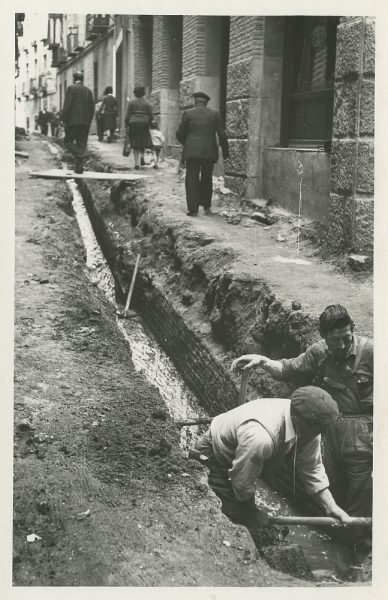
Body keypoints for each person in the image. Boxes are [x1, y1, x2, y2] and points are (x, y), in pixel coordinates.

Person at [231, 304, 373, 558]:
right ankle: (335, 539)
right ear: (324, 337)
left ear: (352, 330)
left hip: (364, 436)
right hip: (328, 431)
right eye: (335, 340)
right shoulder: (318, 353)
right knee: (331, 484)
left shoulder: (372, 352)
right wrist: (263, 361)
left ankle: (359, 549)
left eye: (346, 338)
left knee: (360, 492)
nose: (341, 345)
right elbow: (288, 368)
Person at [192, 386, 350, 534]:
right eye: (321, 430)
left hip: (244, 457)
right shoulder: (261, 436)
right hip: (214, 454)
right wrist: (253, 511)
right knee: (235, 520)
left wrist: (331, 506)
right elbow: (241, 481)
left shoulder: (309, 426)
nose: (322, 435)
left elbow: (311, 468)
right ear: (301, 421)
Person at [176, 91, 229, 216]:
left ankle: (193, 209)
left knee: (191, 178)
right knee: (207, 178)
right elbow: (222, 134)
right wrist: (225, 153)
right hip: (209, 152)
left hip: (192, 152)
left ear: (195, 102)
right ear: (206, 103)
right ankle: (206, 206)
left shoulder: (188, 113)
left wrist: (187, 143)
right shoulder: (214, 114)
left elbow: (179, 133)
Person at [61, 71, 94, 174]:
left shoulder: (71, 88)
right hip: (85, 122)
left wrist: (64, 119)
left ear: (74, 79)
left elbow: (67, 105)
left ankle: (80, 156)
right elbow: (92, 108)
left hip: (73, 122)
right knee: (81, 144)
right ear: (82, 79)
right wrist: (88, 121)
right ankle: (79, 168)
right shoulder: (88, 91)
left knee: (68, 141)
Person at [124, 85, 153, 170]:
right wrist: (151, 123)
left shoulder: (131, 102)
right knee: (142, 140)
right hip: (144, 122)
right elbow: (151, 115)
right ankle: (142, 156)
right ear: (143, 93)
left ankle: (136, 163)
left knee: (135, 143)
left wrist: (126, 124)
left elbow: (128, 115)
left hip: (134, 123)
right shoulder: (147, 103)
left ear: (135, 92)